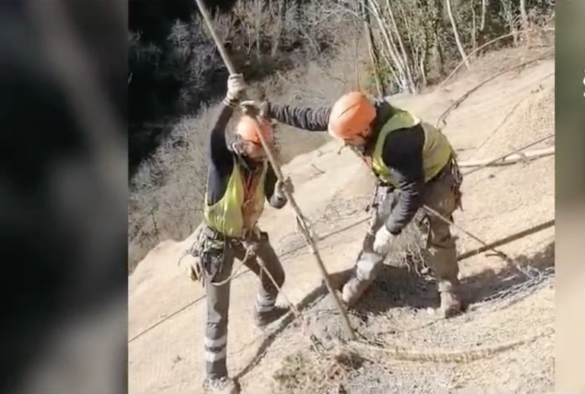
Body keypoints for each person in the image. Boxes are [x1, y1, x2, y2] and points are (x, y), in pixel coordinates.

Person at [241, 91, 465, 319]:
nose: (346, 144)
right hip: (399, 178)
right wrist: (268, 110)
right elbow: (308, 117)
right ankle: (357, 285)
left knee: (436, 234)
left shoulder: (398, 142)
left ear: (366, 130)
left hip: (436, 175)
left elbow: (412, 191)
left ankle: (449, 292)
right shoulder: (351, 116)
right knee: (375, 235)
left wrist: (392, 229)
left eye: (349, 140)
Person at [182, 74, 293, 394]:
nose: (267, 151)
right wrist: (229, 102)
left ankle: (264, 311)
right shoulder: (223, 163)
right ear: (244, 145)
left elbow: (273, 198)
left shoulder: (264, 165)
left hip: (247, 235)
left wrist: (282, 195)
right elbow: (213, 134)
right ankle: (215, 375)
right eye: (262, 147)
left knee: (275, 275)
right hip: (217, 243)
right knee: (218, 314)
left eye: (268, 146)